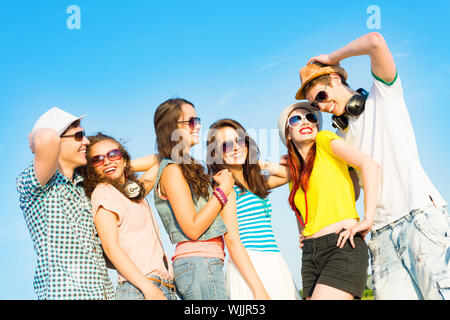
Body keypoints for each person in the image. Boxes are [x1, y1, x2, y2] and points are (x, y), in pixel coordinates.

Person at [296, 32, 449, 300]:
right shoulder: (341, 138)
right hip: (378, 235)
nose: (322, 105)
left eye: (321, 95)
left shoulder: (384, 94)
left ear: (335, 78)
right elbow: (352, 193)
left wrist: (332, 57)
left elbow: (375, 41)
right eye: (315, 103)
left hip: (418, 216)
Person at [152, 98, 269, 300]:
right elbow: (193, 228)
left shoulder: (185, 166)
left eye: (197, 120)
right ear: (172, 128)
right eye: (190, 121)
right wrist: (222, 192)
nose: (197, 126)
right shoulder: (172, 170)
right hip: (198, 263)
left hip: (206, 262)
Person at [278, 102, 380, 300]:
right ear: (287, 134)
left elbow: (369, 164)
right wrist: (304, 234)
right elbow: (302, 212)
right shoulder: (295, 174)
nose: (305, 121)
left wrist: (368, 219)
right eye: (296, 119)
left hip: (342, 245)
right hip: (310, 255)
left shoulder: (325, 140)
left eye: (311, 117)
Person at [16, 107, 114, 300]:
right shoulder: (36, 186)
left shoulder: (82, 189)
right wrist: (36, 139)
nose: (86, 141)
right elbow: (47, 139)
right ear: (57, 142)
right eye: (79, 135)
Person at [206, 118, 300, 300]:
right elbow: (233, 241)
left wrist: (258, 163)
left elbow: (289, 174)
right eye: (225, 145)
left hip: (274, 262)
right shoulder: (227, 188)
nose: (235, 147)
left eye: (240, 140)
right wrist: (257, 289)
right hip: (251, 267)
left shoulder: (255, 185)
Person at [79, 133, 178, 300]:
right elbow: (111, 248)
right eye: (98, 159)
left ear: (124, 158)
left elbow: (163, 159)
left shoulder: (133, 193)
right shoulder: (103, 192)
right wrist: (148, 289)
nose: (107, 160)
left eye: (113, 154)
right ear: (91, 168)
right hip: (141, 289)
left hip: (162, 286)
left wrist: (120, 165)